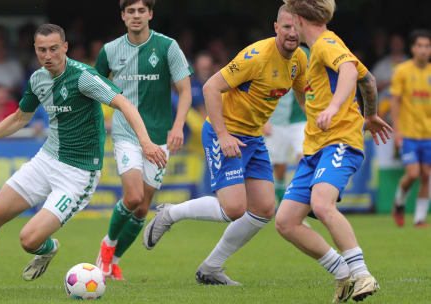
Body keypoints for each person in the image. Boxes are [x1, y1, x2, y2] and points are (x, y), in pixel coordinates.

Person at [0, 23, 166, 295]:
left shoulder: (83, 76)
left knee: (28, 240)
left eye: (54, 49)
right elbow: (20, 117)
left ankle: (48, 248)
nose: (48, 55)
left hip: (78, 175)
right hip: (46, 161)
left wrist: (145, 142)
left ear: (65, 47)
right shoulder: (38, 79)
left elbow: (124, 104)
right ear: (36, 50)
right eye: (42, 50)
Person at [143, 5, 308, 286]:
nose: (292, 34)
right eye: (287, 27)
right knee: (233, 209)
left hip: (253, 137)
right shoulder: (255, 56)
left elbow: (303, 96)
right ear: (276, 28)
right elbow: (210, 87)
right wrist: (222, 135)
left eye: (297, 28)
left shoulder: (300, 59)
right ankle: (170, 213)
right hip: (226, 132)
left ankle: (211, 268)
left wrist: (319, 124)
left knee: (265, 209)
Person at [275, 0, 392, 302]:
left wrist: (335, 106)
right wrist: (371, 114)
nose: (290, 28)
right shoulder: (318, 49)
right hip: (315, 148)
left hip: (339, 141)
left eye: (291, 21)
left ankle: (363, 274)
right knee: (286, 221)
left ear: (299, 19)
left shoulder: (327, 43)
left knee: (322, 204)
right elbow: (367, 78)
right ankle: (342, 271)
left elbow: (350, 74)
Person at [94, 0, 192, 281]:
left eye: (141, 11)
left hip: (160, 136)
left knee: (142, 207)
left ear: (150, 14)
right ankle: (108, 247)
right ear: (123, 16)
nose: (136, 16)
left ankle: (114, 263)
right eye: (130, 11)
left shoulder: (167, 46)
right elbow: (92, 86)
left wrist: (177, 127)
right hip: (125, 133)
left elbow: (184, 91)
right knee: (133, 196)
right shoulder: (110, 50)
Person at [391, 29, 431, 228]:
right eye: (420, 46)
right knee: (413, 174)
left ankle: (419, 219)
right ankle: (399, 203)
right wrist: (397, 131)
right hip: (408, 133)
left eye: (427, 46)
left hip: (428, 134)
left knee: (426, 175)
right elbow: (395, 102)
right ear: (413, 48)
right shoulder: (402, 71)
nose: (424, 50)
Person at [264, 46, 309, 203]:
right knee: (279, 167)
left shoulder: (306, 53)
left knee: (304, 156)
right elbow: (260, 90)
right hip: (276, 120)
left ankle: (298, 198)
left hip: (300, 119)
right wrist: (264, 121)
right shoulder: (270, 56)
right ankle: (283, 201)